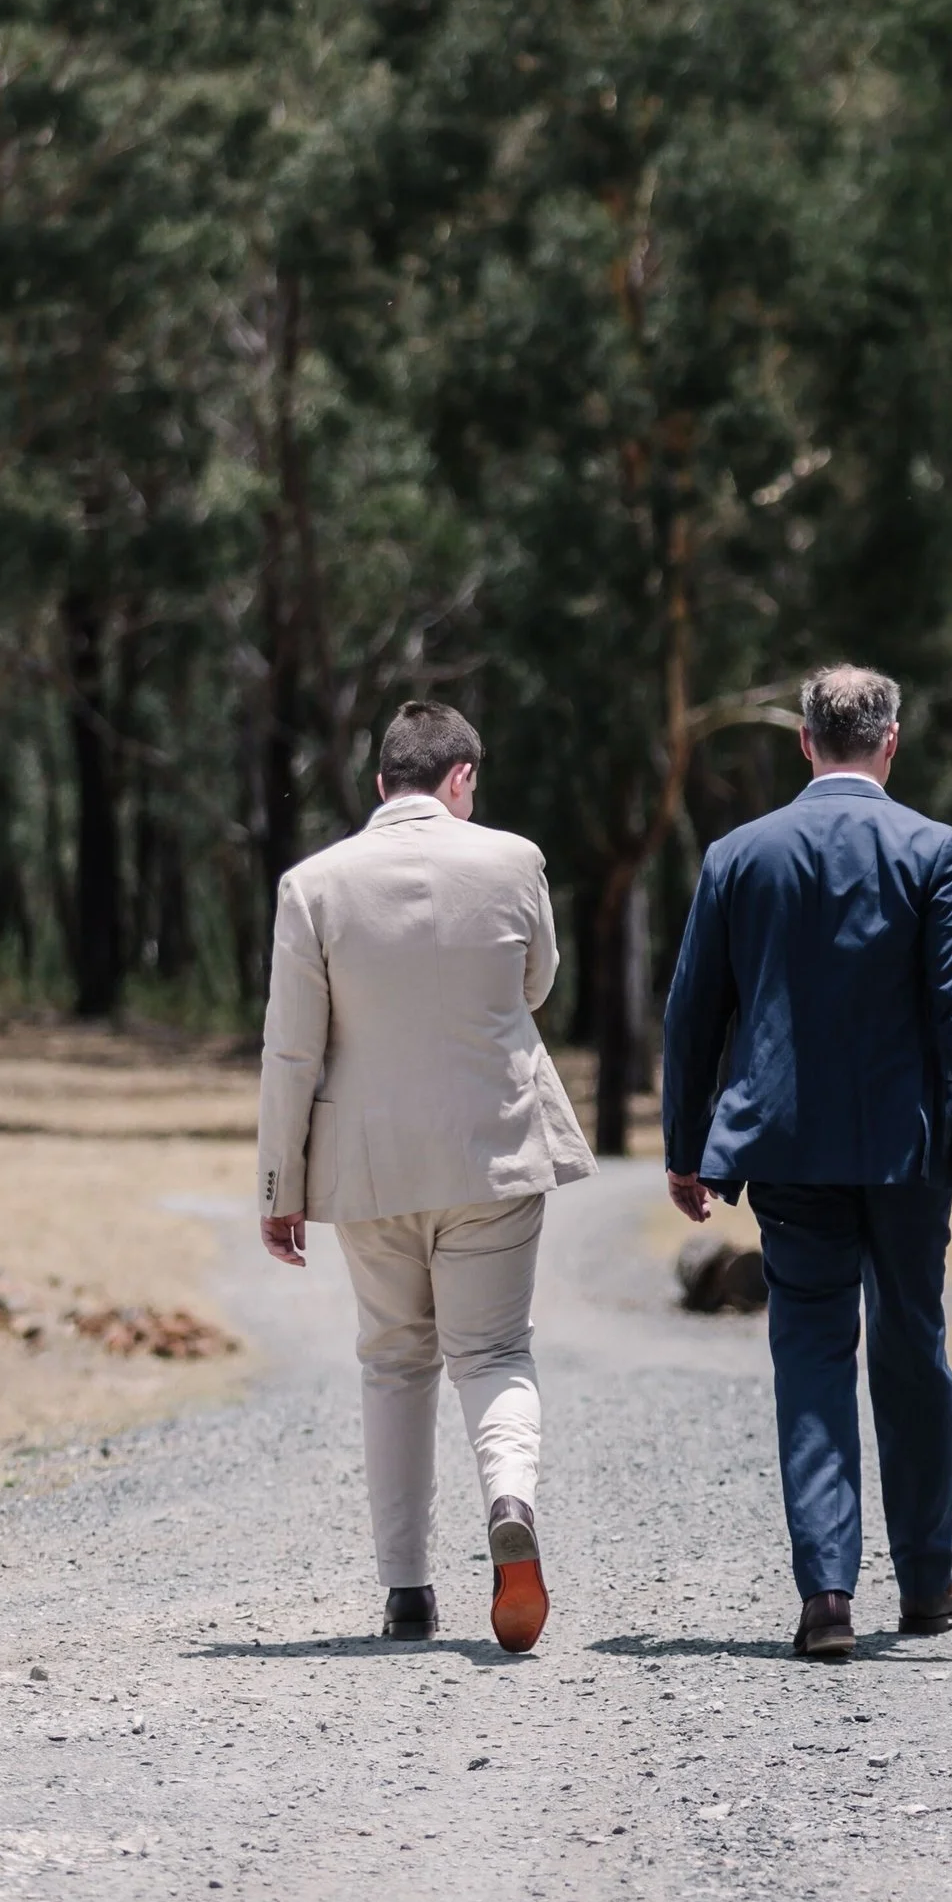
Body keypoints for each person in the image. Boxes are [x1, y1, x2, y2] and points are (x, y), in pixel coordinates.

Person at [662, 664, 952, 1660]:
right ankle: (924, 1582)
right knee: (912, 1348)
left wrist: (682, 1149)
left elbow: (693, 1011)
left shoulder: (740, 854)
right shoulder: (931, 848)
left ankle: (826, 1595)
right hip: (907, 1149)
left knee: (812, 1356)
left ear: (802, 741)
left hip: (785, 1150)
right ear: (891, 741)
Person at [257, 700, 593, 1651]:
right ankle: (510, 1499)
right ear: (460, 779)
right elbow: (537, 983)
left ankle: (407, 1590)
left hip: (369, 1169)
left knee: (394, 1363)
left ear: (380, 785)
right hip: (494, 1153)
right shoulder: (514, 860)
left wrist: (280, 1186)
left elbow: (292, 1050)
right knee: (494, 1355)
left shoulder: (311, 886)